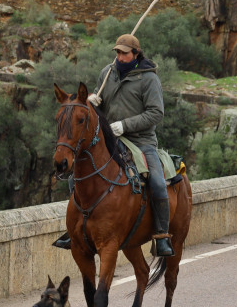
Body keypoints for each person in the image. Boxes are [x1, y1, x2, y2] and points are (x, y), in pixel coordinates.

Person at [54, 33, 174, 257]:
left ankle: (162, 235)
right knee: (76, 177)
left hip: (141, 140)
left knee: (158, 183)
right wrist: (91, 103)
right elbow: (96, 108)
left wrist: (125, 125)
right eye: (117, 52)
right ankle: (76, 229)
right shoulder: (107, 73)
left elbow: (156, 113)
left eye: (124, 53)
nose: (119, 57)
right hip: (109, 137)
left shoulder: (149, 79)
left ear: (136, 54)